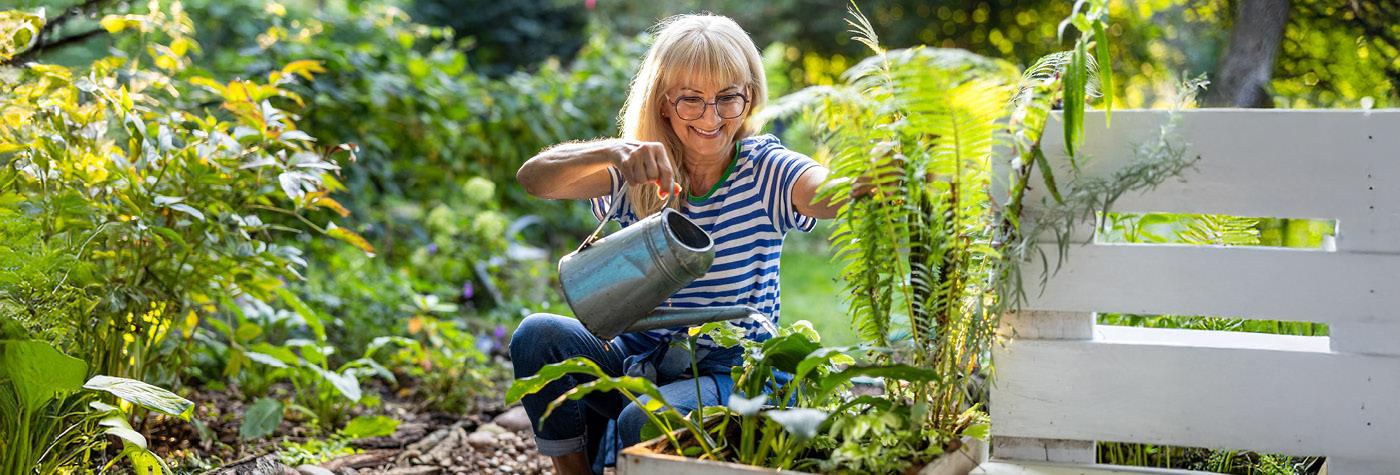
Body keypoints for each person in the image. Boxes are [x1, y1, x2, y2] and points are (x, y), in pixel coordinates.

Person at [511, 13, 853, 475]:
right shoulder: (639, 168)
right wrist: (613, 151)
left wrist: (871, 181)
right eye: (691, 100)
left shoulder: (764, 169)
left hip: (730, 372)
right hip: (638, 357)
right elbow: (533, 178)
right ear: (664, 103)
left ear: (749, 97)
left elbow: (825, 191)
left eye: (728, 98)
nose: (712, 118)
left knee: (643, 419)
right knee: (537, 336)